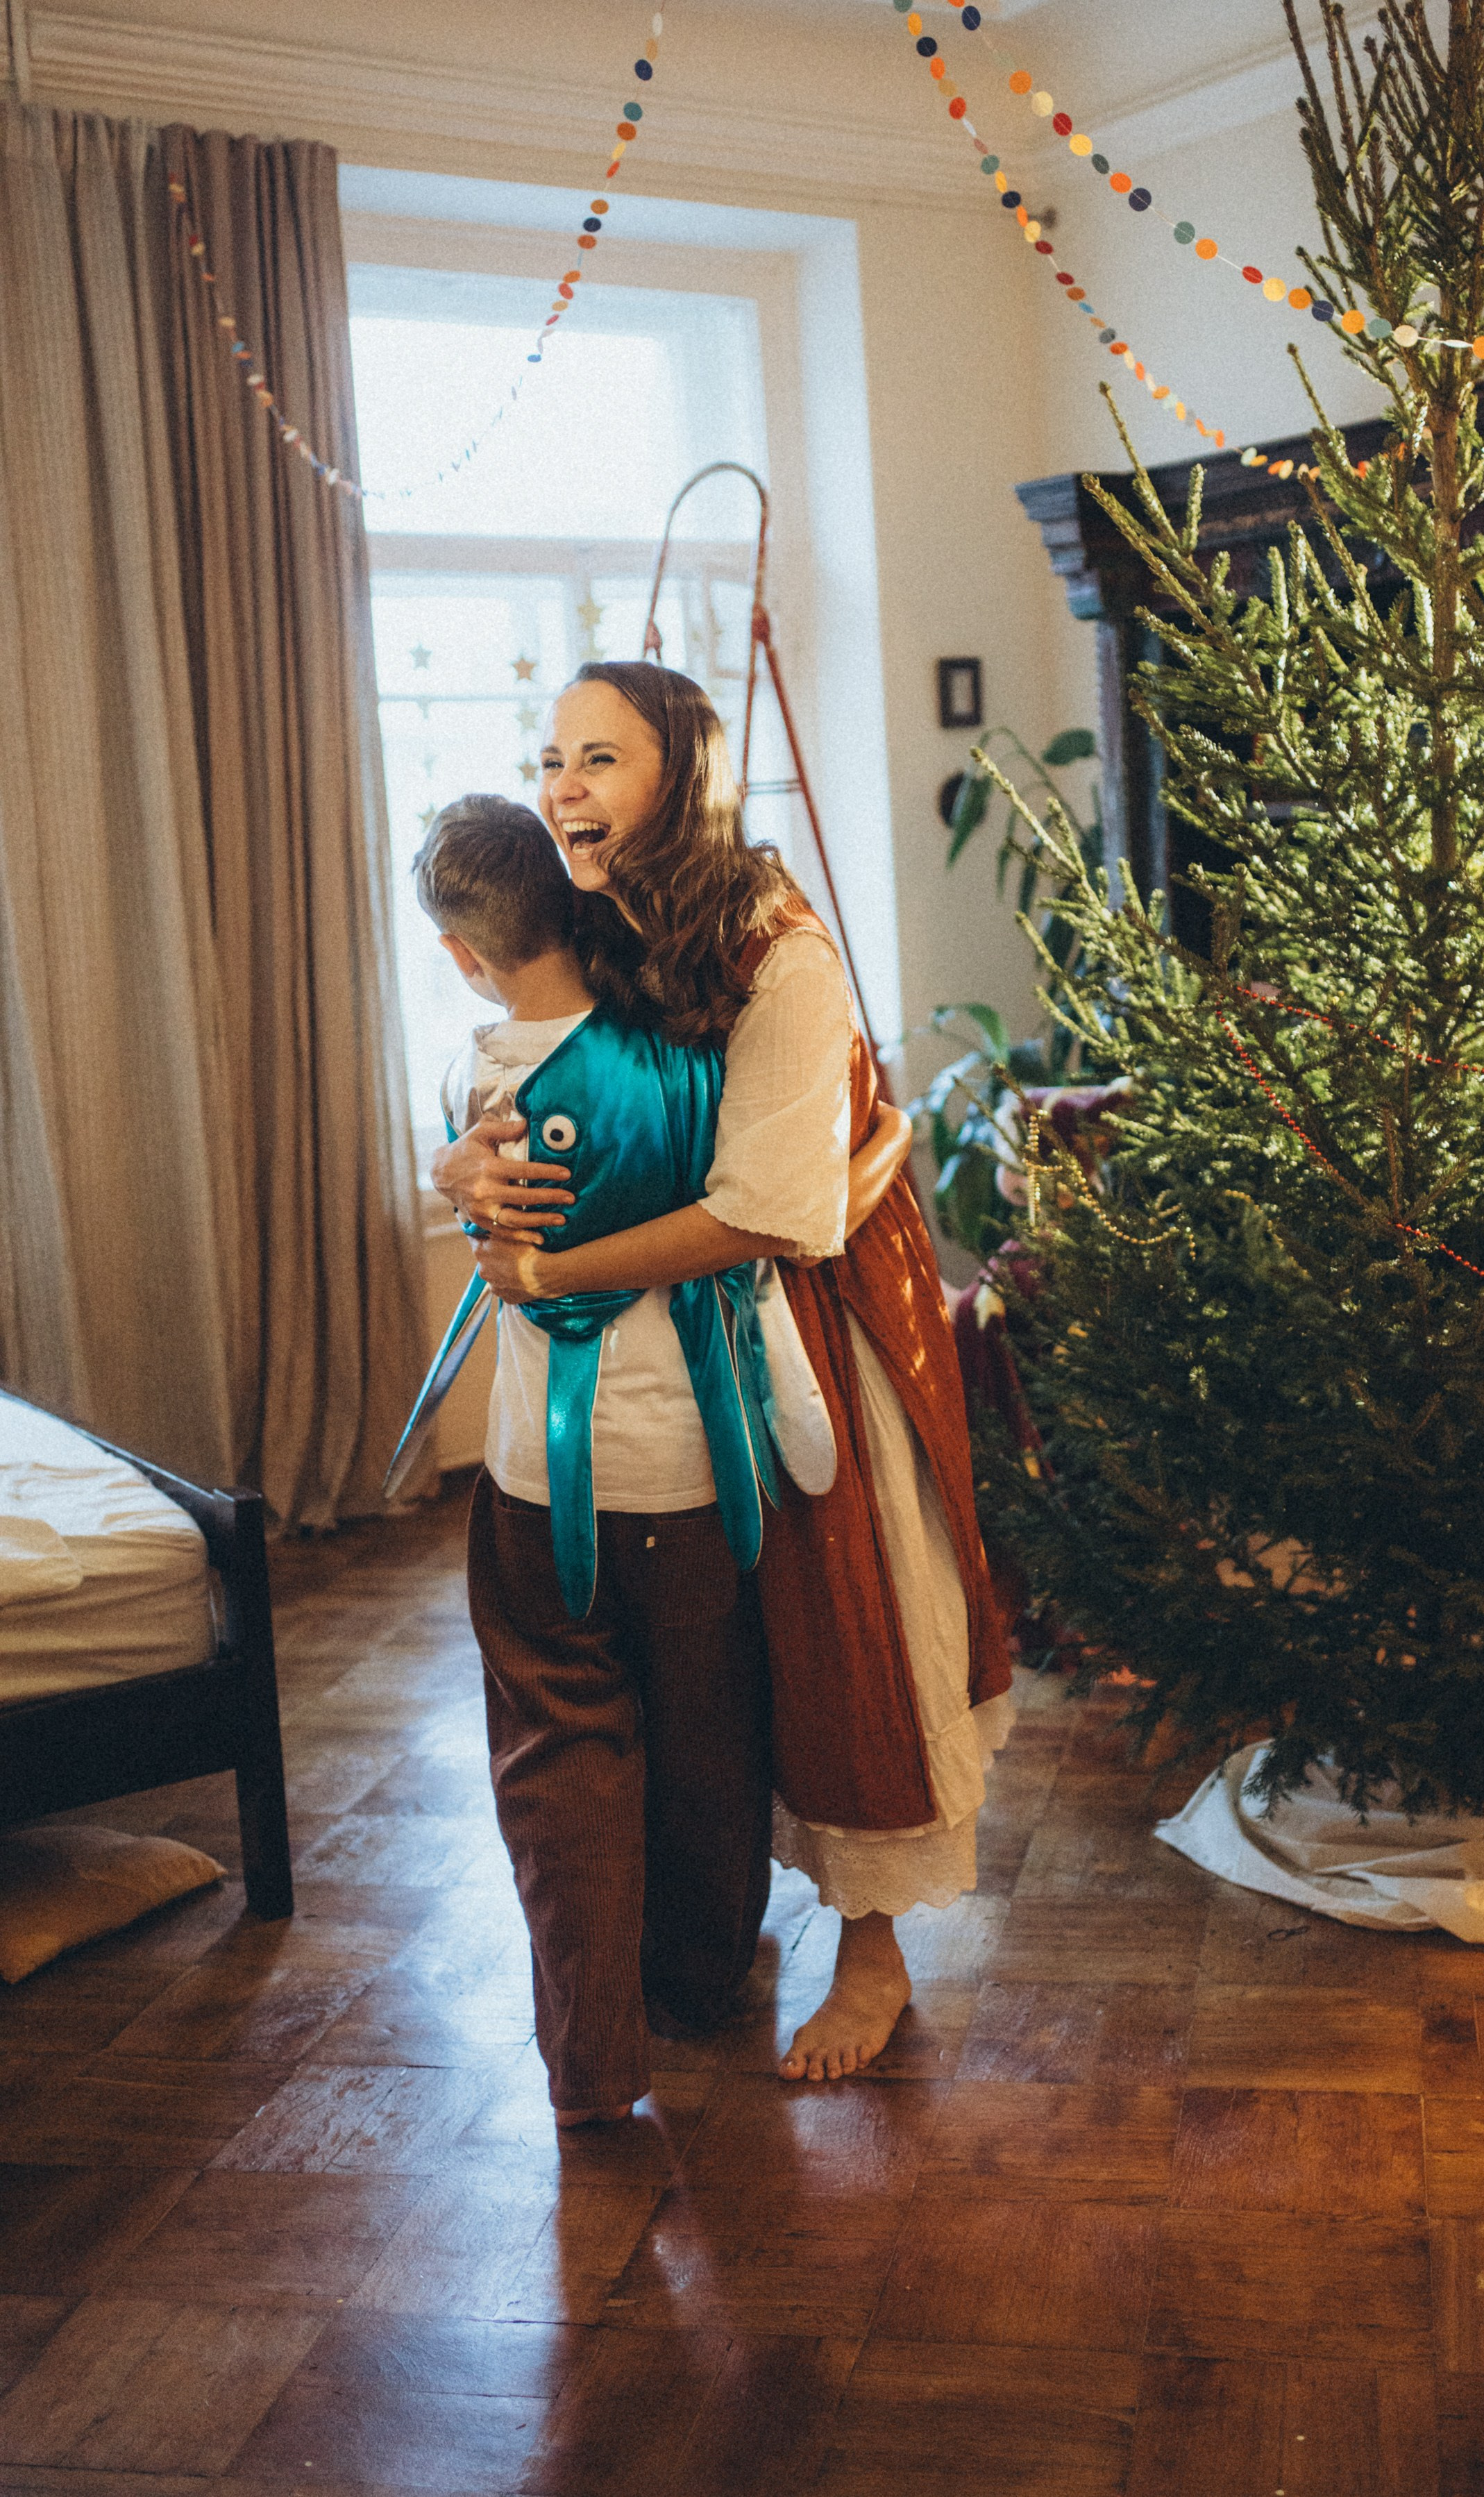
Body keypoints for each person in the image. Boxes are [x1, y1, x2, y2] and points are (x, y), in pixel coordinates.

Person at [432, 665, 1014, 2091]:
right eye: (552, 757)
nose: (563, 785)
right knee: (715, 1676)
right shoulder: (593, 916)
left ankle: (870, 1945)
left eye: (599, 757)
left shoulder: (776, 947)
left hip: (817, 1304)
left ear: (680, 775)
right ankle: (687, 1948)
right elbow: (531, 1059)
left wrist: (549, 1274)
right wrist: (464, 1165)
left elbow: (775, 1207)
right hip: (691, 1327)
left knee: (847, 1621)